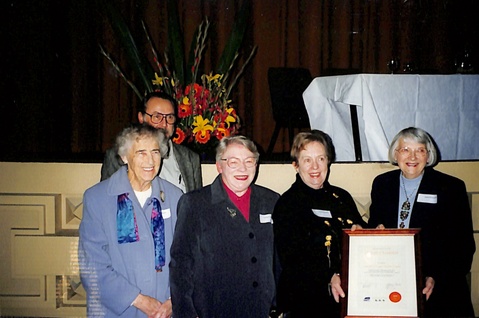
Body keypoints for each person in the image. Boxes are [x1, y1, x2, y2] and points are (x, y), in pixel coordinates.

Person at [368, 127, 475, 317]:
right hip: (392, 280)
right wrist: (375, 231)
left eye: (420, 150)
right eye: (405, 149)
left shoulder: (450, 188)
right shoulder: (382, 184)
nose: (413, 156)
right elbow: (374, 225)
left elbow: (463, 246)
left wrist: (434, 276)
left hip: (438, 284)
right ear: (395, 154)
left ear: (428, 155)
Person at [169, 135, 280, 318]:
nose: (242, 168)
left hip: (260, 310)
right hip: (212, 310)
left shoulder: (271, 200)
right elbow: (181, 264)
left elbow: (278, 259)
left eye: (249, 161)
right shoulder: (195, 203)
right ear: (219, 166)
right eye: (233, 162)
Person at [79, 124, 183, 318]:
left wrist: (173, 300)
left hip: (165, 311)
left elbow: (184, 257)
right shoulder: (98, 198)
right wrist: (140, 301)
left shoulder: (174, 196)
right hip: (118, 310)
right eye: (141, 153)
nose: (150, 161)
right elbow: (92, 266)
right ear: (124, 157)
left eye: (155, 152)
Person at [272, 130, 366, 318]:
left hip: (350, 296)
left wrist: (364, 232)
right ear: (296, 165)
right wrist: (329, 277)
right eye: (307, 160)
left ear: (328, 162)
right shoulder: (288, 204)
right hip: (307, 302)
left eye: (321, 159)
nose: (315, 166)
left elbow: (360, 231)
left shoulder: (341, 198)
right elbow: (292, 259)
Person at [101, 91, 202, 193]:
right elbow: (107, 199)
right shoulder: (119, 155)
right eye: (157, 117)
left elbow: (195, 203)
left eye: (170, 117)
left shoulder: (190, 158)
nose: (164, 124)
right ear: (141, 117)